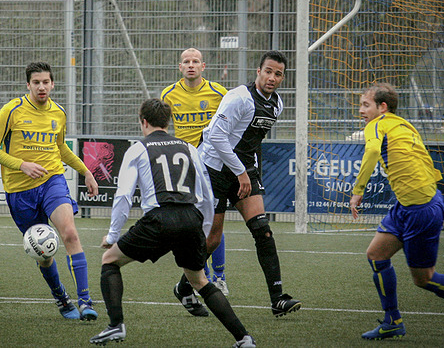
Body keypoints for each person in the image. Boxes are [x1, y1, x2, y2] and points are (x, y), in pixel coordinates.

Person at [90, 99, 255, 348]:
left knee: (110, 261)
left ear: (143, 121)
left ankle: (116, 325)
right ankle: (244, 338)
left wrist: (112, 236)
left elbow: (123, 195)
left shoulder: (138, 148)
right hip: (191, 218)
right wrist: (205, 227)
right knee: (200, 281)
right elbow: (207, 194)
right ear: (168, 122)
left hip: (159, 219)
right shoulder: (189, 148)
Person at [350, 83, 444, 340]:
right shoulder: (404, 124)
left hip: (420, 209)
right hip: (412, 204)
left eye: (365, 105)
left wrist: (358, 190)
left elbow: (374, 150)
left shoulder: (377, 125)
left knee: (424, 279)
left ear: (382, 107)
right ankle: (392, 321)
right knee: (376, 255)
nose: (361, 110)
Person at [175, 50, 302, 319]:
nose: (272, 77)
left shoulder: (277, 104)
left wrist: (250, 174)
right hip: (214, 169)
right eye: (268, 71)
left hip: (244, 171)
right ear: (258, 71)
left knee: (263, 230)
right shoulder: (238, 98)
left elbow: (252, 142)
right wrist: (241, 172)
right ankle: (184, 286)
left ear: (282, 78)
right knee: (211, 240)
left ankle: (278, 298)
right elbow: (217, 138)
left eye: (278, 74)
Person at [0, 61, 99, 320]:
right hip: (19, 191)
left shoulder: (58, 113)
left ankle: (85, 301)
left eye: (46, 82)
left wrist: (86, 172)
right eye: (36, 82)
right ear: (28, 85)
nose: (41, 87)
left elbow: (61, 149)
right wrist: (21, 164)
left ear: (53, 84)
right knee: (44, 254)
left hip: (52, 181)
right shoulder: (11, 111)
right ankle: (61, 299)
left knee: (69, 232)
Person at [161, 48, 230, 295]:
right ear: (180, 67)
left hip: (213, 164)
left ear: (204, 67)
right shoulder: (168, 94)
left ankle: (220, 276)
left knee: (214, 221)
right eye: (186, 62)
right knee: (194, 223)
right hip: (185, 167)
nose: (191, 65)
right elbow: (163, 129)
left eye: (195, 61)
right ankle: (206, 276)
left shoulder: (218, 93)